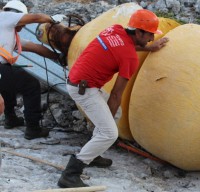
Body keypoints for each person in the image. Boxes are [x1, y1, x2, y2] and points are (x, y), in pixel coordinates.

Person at [57, 9, 169, 188]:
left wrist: (149, 48)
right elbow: (117, 94)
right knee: (109, 133)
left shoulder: (114, 30)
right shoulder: (130, 58)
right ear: (139, 31)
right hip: (84, 89)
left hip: (78, 81)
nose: (151, 39)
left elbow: (124, 46)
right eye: (149, 35)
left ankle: (93, 154)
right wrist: (106, 127)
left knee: (115, 117)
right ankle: (71, 174)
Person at [0, 0, 66, 139]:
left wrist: (59, 57)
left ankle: (10, 118)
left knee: (10, 79)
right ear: (18, 16)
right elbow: (36, 18)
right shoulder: (5, 16)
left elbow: (36, 48)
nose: (23, 27)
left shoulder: (8, 33)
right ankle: (33, 128)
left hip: (2, 69)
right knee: (30, 84)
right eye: (23, 22)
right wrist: (52, 20)